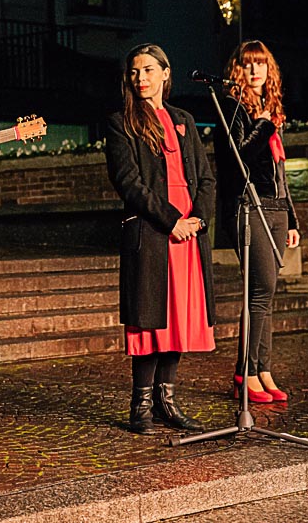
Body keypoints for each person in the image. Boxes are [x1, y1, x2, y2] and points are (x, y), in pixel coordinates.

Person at [104, 43, 216, 435]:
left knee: (180, 318)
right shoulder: (122, 122)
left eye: (149, 70)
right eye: (135, 72)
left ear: (166, 73)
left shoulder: (184, 118)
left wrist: (198, 218)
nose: (141, 78)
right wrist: (172, 221)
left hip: (189, 231)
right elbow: (129, 183)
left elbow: (205, 177)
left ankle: (168, 400)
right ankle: (142, 405)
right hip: (153, 230)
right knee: (150, 319)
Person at [213, 40, 299, 404]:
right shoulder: (233, 106)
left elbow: (279, 170)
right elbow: (237, 157)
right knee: (259, 292)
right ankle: (244, 373)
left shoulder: (270, 109)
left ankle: (263, 368)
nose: (255, 71)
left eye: (261, 64)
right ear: (238, 69)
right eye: (248, 65)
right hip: (249, 206)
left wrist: (293, 218)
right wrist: (263, 124)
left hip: (276, 207)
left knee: (268, 294)